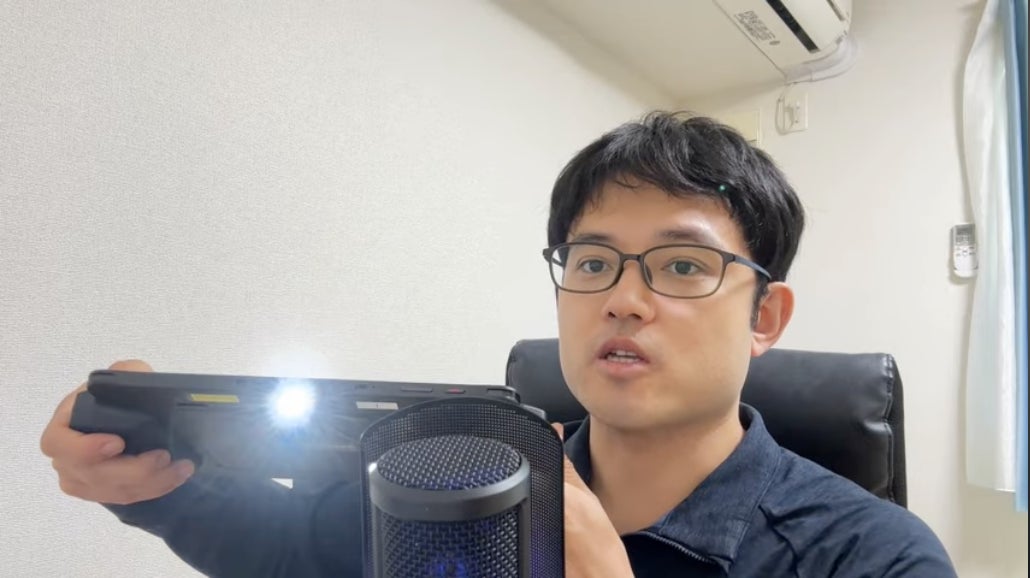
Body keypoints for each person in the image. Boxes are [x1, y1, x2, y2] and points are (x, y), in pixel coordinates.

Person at [41, 111, 957, 577]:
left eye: (681, 266)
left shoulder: (872, 557)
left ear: (765, 317)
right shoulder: (476, 480)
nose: (624, 299)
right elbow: (296, 553)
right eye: (593, 262)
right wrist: (156, 486)